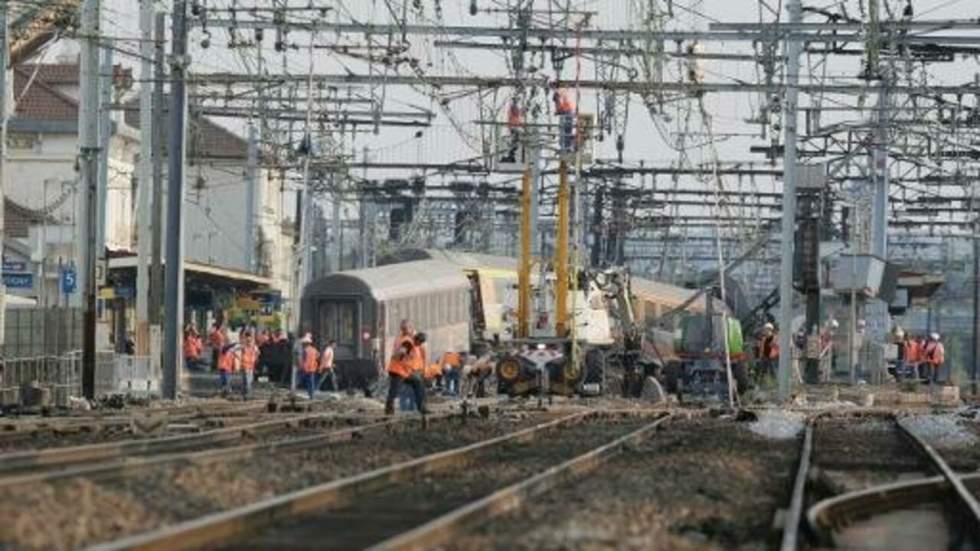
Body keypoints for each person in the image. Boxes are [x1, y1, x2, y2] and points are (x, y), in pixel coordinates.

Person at [385, 339, 427, 416]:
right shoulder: (408, 343)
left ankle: (421, 407)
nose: (420, 344)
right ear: (417, 339)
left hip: (405, 372)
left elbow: (411, 361)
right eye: (420, 342)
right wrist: (399, 357)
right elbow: (398, 355)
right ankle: (389, 409)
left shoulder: (415, 348)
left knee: (418, 382)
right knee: (393, 390)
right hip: (397, 370)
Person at [240, 331, 260, 399]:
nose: (248, 341)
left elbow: (258, 354)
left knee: (248, 381)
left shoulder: (253, 346)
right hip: (246, 365)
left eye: (250, 339)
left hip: (250, 365)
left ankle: (246, 394)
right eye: (247, 339)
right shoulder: (245, 346)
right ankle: (245, 394)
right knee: (246, 381)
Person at [300, 335, 320, 399]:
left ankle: (310, 395)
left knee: (301, 380)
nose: (302, 344)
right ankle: (311, 395)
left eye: (303, 343)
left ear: (305, 343)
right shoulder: (314, 349)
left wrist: (301, 366)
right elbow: (318, 356)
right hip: (312, 368)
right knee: (311, 382)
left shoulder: (304, 350)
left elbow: (303, 359)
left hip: (305, 368)